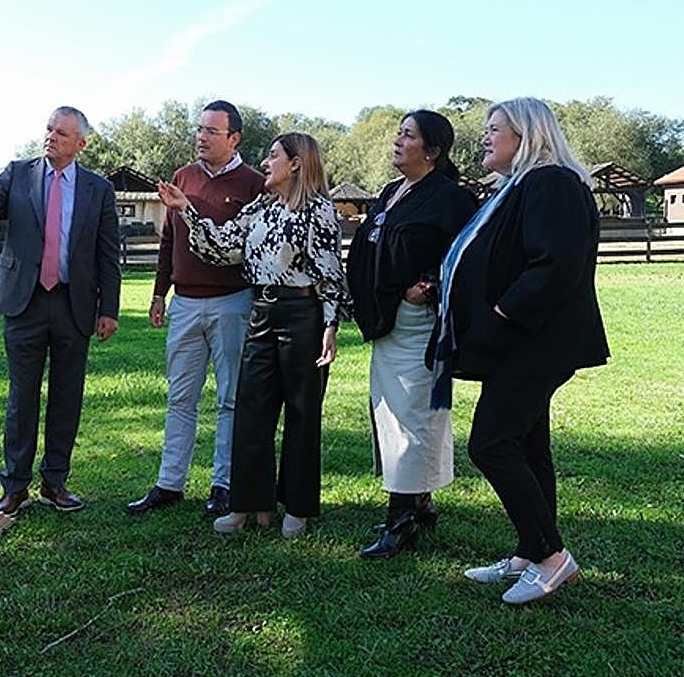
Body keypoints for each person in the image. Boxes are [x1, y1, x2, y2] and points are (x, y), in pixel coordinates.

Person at [431, 97, 610, 604]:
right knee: (529, 447)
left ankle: (552, 558)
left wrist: (500, 316)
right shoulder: (519, 186)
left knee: (491, 443)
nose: (485, 137)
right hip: (520, 342)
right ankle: (531, 552)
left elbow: (554, 265)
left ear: (527, 135)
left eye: (494, 128)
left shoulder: (551, 182)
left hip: (535, 341)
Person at [0, 106, 121, 515]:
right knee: (22, 397)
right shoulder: (18, 174)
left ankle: (55, 483)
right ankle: (15, 486)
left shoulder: (98, 189)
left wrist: (109, 309)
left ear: (81, 144)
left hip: (74, 305)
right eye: (49, 129)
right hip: (24, 303)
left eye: (62, 133)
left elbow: (107, 254)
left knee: (67, 396)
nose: (51, 137)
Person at [157, 132, 348, 539]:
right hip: (261, 311)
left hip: (303, 314)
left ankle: (297, 507)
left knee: (302, 412)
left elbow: (331, 274)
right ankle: (248, 504)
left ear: (296, 164)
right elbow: (224, 246)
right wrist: (186, 209)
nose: (264, 162)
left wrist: (330, 326)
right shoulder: (262, 206)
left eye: (273, 156)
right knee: (251, 409)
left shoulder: (319, 210)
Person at [346, 110, 476, 557]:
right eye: (398, 133)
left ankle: (400, 520)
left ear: (432, 151)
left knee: (414, 417)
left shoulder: (450, 199)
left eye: (408, 135)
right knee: (393, 413)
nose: (397, 141)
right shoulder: (391, 192)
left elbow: (469, 258)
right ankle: (419, 503)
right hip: (386, 321)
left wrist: (430, 288)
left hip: (419, 325)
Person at [127, 101, 266, 518]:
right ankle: (169, 483)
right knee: (180, 397)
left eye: (211, 131)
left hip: (232, 303)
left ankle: (224, 485)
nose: (201, 137)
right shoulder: (182, 177)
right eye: (199, 129)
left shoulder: (254, 184)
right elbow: (169, 239)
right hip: (184, 303)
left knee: (231, 399)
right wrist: (159, 293)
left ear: (234, 138)